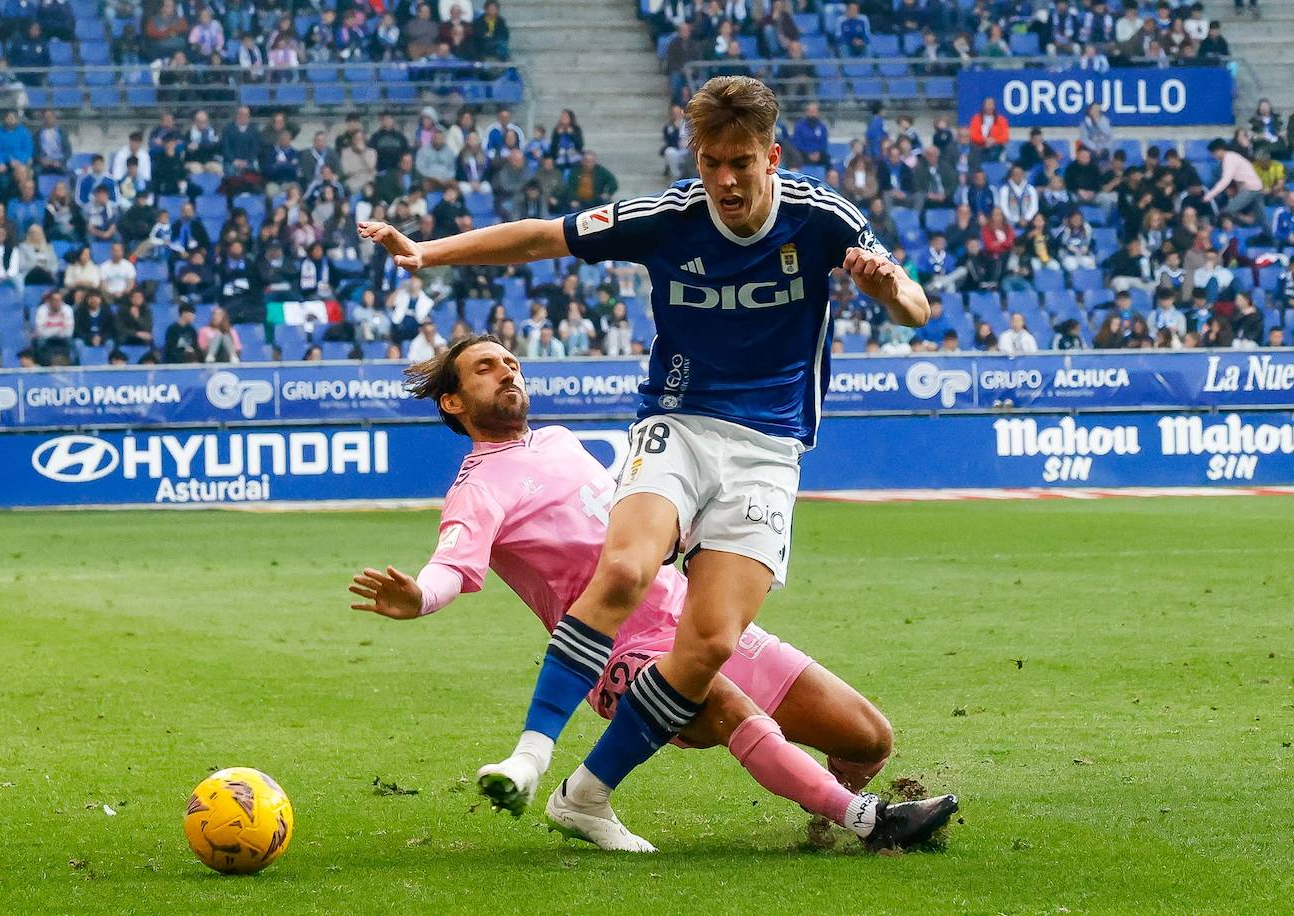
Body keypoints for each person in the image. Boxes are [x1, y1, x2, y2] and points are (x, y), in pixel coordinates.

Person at [357, 75, 938, 851]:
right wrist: (426, 252)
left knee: (714, 652)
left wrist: (889, 287)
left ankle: (589, 793)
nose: (724, 181)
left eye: (739, 163)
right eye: (709, 163)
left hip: (768, 451)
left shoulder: (823, 218)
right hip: (679, 422)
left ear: (771, 155)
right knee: (626, 568)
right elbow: (540, 235)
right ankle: (531, 757)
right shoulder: (668, 217)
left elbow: (916, 309)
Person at [350, 336, 954, 853]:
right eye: (485, 368)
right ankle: (870, 821)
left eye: (510, 362)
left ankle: (601, 796)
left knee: (868, 737)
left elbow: (629, 517)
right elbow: (449, 565)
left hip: (691, 611)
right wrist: (420, 597)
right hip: (614, 649)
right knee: (722, 702)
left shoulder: (558, 441)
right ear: (453, 403)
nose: (506, 371)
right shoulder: (477, 487)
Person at [1202, 139, 1263, 224]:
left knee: (1227, 212)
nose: (1213, 156)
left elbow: (1225, 180)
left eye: (1214, 153)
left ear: (1220, 150)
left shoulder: (1229, 159)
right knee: (1262, 220)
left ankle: (1248, 221)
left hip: (1250, 189)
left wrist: (1209, 196)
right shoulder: (1232, 157)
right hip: (1256, 187)